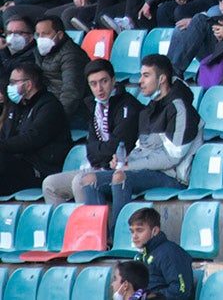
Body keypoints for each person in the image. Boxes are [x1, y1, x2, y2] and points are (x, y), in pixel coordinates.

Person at [82, 55, 202, 230]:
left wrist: (132, 165)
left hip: (173, 176)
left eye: (146, 75)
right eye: (140, 75)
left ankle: (120, 237)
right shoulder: (148, 111)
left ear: (161, 79)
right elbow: (141, 147)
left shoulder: (181, 108)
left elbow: (173, 156)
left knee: (120, 176)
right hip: (147, 172)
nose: (140, 81)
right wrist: (125, 161)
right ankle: (97, 240)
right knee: (89, 179)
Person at [42, 59, 141, 205]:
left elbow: (117, 146)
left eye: (104, 81)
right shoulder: (95, 106)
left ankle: (89, 226)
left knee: (80, 182)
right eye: (93, 84)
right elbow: (91, 149)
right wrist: (100, 152)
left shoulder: (128, 106)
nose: (99, 88)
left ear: (113, 81)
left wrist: (99, 152)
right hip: (99, 166)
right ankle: (66, 227)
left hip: (119, 170)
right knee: (50, 184)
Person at [0, 63, 71, 195]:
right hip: (18, 164)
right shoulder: (17, 106)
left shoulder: (49, 106)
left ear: (28, 84)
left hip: (40, 169)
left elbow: (32, 138)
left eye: (14, 82)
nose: (9, 87)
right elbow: (4, 136)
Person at [33, 15, 91, 129]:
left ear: (59, 35)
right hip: (49, 107)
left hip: (75, 113)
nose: (41, 39)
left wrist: (53, 119)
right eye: (38, 35)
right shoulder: (41, 52)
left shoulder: (72, 55)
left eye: (45, 34)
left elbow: (71, 94)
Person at [129, 207, 195, 300]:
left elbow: (181, 290)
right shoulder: (141, 256)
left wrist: (149, 297)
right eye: (132, 231)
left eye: (139, 230)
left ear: (155, 231)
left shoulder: (170, 253)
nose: (134, 236)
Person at [0, 15, 37, 85]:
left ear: (31, 36)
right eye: (9, 33)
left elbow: (5, 81)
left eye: (18, 33)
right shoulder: (4, 51)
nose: (12, 36)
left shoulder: (34, 55)